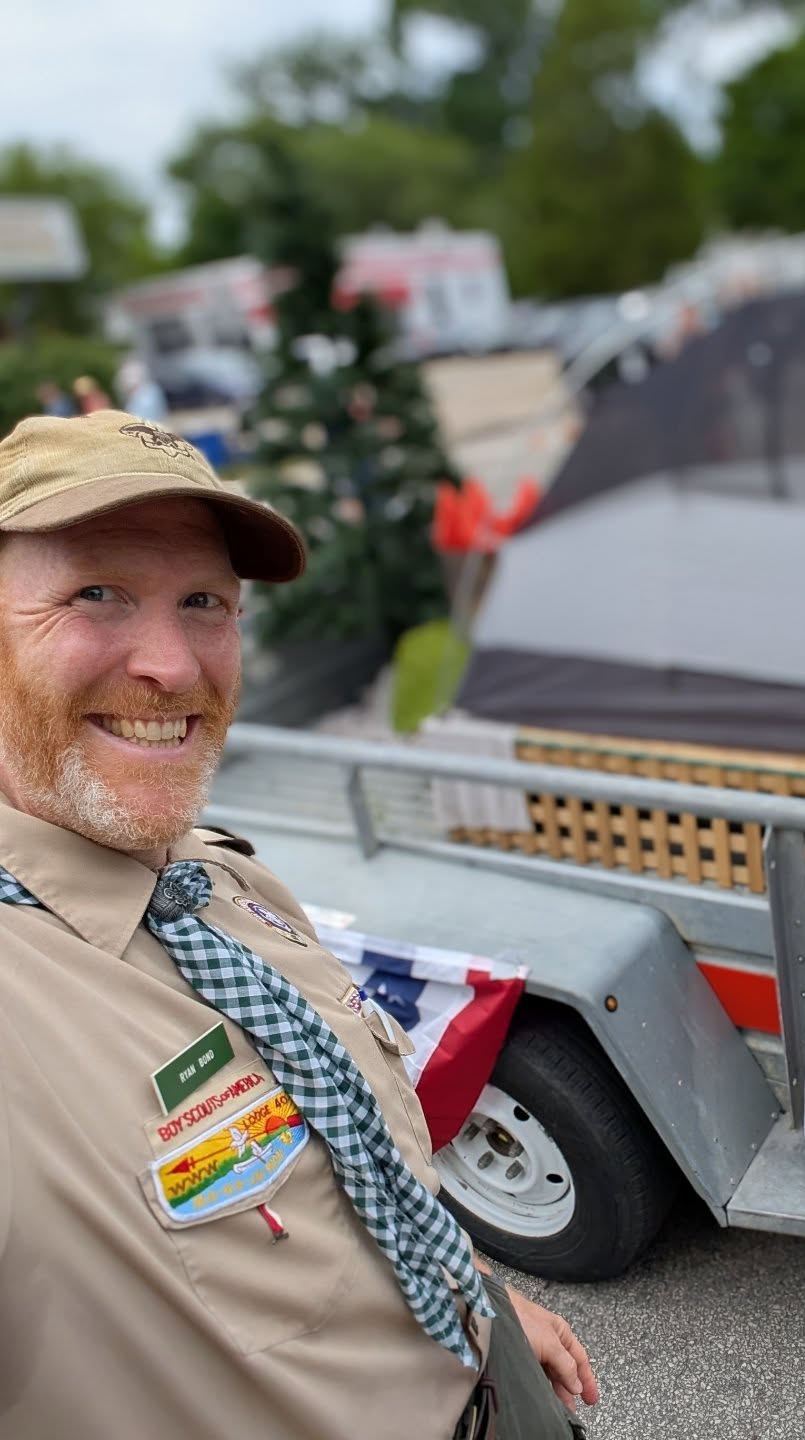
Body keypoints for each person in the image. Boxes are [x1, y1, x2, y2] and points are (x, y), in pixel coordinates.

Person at [0, 409, 599, 1440]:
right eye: (96, 594)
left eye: (204, 602)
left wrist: (478, 1297)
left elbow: (348, 1151)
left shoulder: (219, 876)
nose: (173, 666)